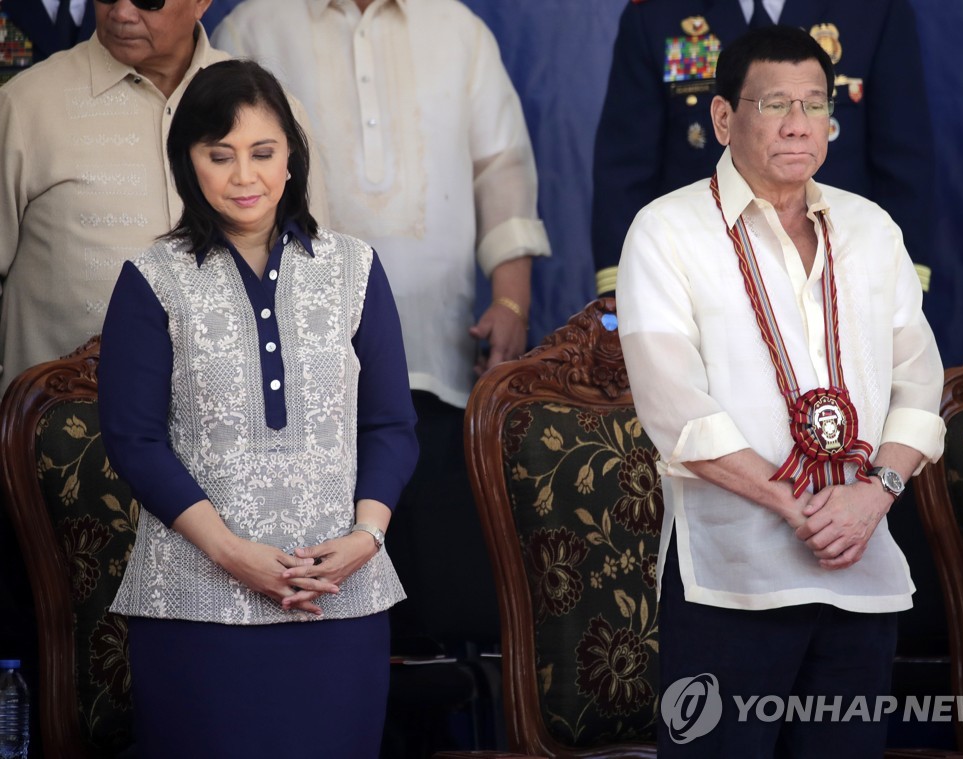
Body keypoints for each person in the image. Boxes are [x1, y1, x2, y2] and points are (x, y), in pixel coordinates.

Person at [616, 25, 945, 757]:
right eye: (774, 103)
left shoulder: (873, 229)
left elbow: (921, 385)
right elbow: (676, 411)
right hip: (732, 584)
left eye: (815, 102)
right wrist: (800, 504)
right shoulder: (666, 230)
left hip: (860, 570)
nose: (800, 123)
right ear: (724, 118)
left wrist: (875, 492)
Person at [211, 0, 551, 664]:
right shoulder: (253, 28)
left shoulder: (458, 30)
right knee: (321, 604)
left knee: (437, 607)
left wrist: (511, 301)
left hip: (443, 365)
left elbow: (502, 168)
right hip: (302, 385)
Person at [98, 59, 417, 757]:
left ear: (292, 157)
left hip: (342, 595)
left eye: (263, 152)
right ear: (189, 163)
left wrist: (365, 537)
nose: (244, 177)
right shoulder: (151, 279)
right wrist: (231, 553)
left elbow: (392, 424)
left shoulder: (353, 267)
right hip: (196, 601)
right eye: (220, 155)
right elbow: (134, 439)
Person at [0, 0, 329, 396]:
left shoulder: (272, 111)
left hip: (228, 431)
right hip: (65, 439)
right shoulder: (25, 106)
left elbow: (310, 276)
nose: (121, 13)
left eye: (149, 0)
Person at [592, 0, 934, 298]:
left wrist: (905, 277)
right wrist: (620, 287)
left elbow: (904, 159)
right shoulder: (658, 14)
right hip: (699, 278)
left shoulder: (873, 10)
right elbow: (625, 168)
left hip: (839, 272)